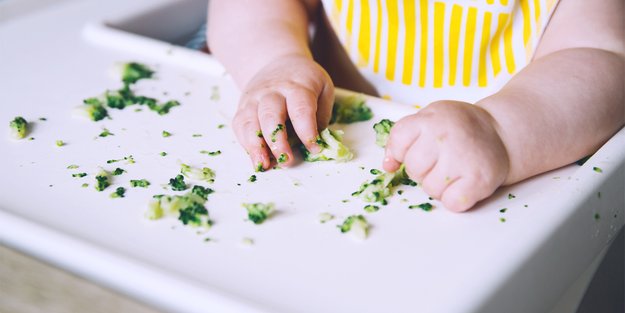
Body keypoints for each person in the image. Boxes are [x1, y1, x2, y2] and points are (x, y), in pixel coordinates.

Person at [207, 0, 624, 212]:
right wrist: (273, 62)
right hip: (328, 162)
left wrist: (503, 130)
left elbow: (603, 59)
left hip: (496, 189)